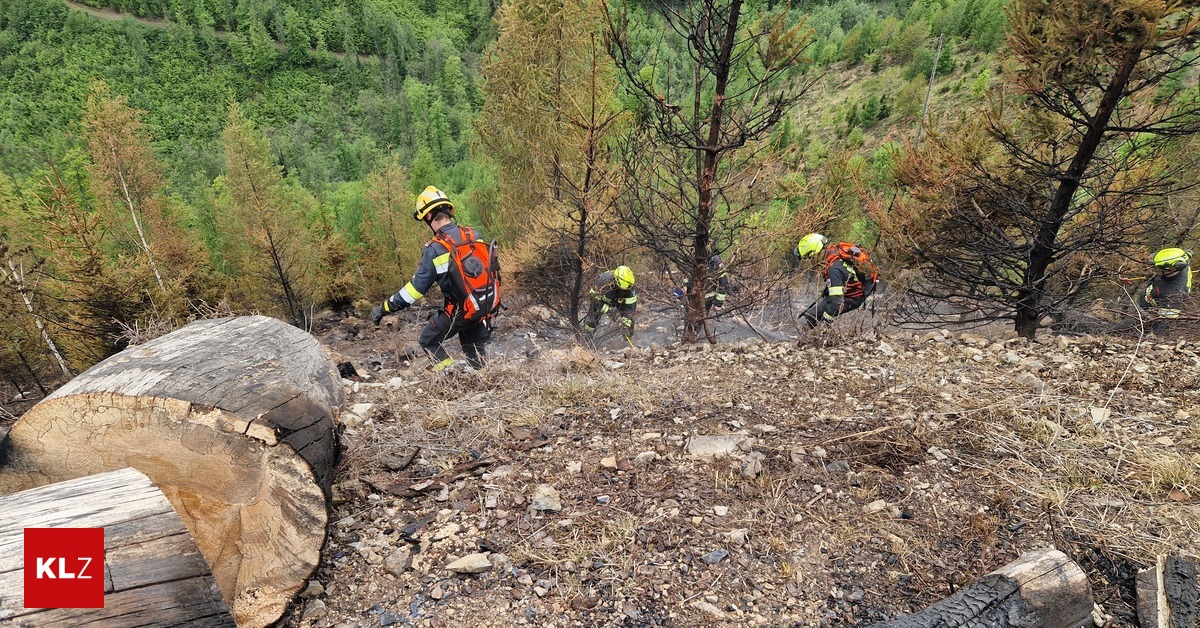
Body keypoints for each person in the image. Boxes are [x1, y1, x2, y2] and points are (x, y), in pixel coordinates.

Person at [371, 186, 496, 372]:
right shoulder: (474, 234)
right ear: (448, 212)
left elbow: (415, 290)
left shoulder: (435, 248)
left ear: (429, 217)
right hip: (484, 304)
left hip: (459, 310)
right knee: (473, 346)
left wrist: (384, 308)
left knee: (428, 340)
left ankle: (450, 376)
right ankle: (484, 382)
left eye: (424, 219)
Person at [795, 233, 878, 328]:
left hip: (855, 296)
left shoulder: (833, 269)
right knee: (812, 314)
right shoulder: (832, 253)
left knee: (813, 315)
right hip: (859, 288)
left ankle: (820, 337)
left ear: (814, 253)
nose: (810, 261)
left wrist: (825, 323)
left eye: (808, 257)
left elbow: (836, 303)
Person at [1138, 247, 1191, 325]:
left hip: (1147, 312)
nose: (1157, 271)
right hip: (1149, 297)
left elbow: (1165, 324)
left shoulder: (1172, 297)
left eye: (1162, 269)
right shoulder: (1182, 262)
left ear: (1175, 268)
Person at [583, 266, 637, 340]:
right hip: (602, 300)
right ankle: (587, 339)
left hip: (620, 300)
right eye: (621, 288)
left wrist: (626, 319)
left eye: (625, 289)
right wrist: (607, 309)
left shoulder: (629, 286)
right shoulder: (603, 280)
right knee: (591, 320)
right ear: (615, 280)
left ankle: (627, 341)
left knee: (628, 322)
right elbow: (593, 296)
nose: (623, 291)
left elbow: (630, 307)